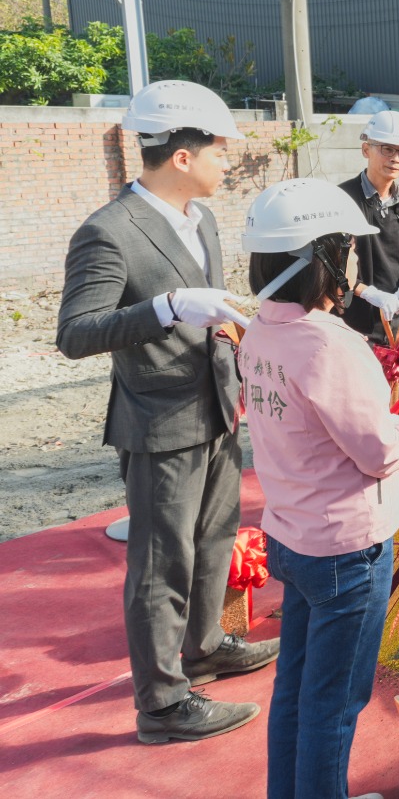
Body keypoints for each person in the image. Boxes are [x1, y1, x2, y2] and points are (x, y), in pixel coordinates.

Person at [56, 80, 278, 744]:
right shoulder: (108, 231)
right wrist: (165, 308)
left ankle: (203, 646)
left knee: (213, 539)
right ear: (182, 156)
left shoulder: (200, 219)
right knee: (161, 564)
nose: (226, 162)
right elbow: (76, 333)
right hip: (159, 421)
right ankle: (160, 705)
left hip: (216, 405)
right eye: (218, 150)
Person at [238, 178, 399, 799]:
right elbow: (377, 452)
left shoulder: (259, 331)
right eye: (347, 250)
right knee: (334, 704)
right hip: (345, 550)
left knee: (296, 691)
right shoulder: (330, 344)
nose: (354, 263)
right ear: (320, 259)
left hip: (291, 535)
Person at [339, 111, 399, 408]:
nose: (395, 158)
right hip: (356, 326)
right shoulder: (342, 200)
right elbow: (331, 262)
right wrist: (368, 292)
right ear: (366, 149)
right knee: (361, 408)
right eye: (387, 149)